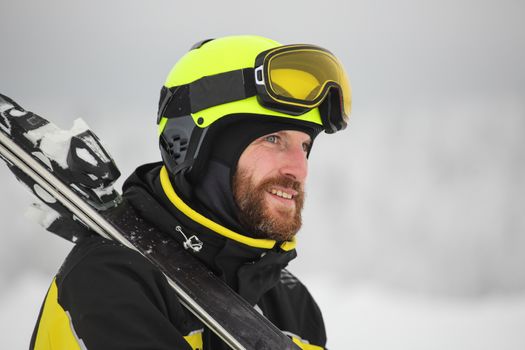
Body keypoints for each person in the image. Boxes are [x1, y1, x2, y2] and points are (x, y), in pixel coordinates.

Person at [29, 35, 351, 349]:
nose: (300, 169)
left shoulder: (291, 302)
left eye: (304, 145)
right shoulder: (109, 280)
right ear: (198, 149)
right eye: (273, 139)